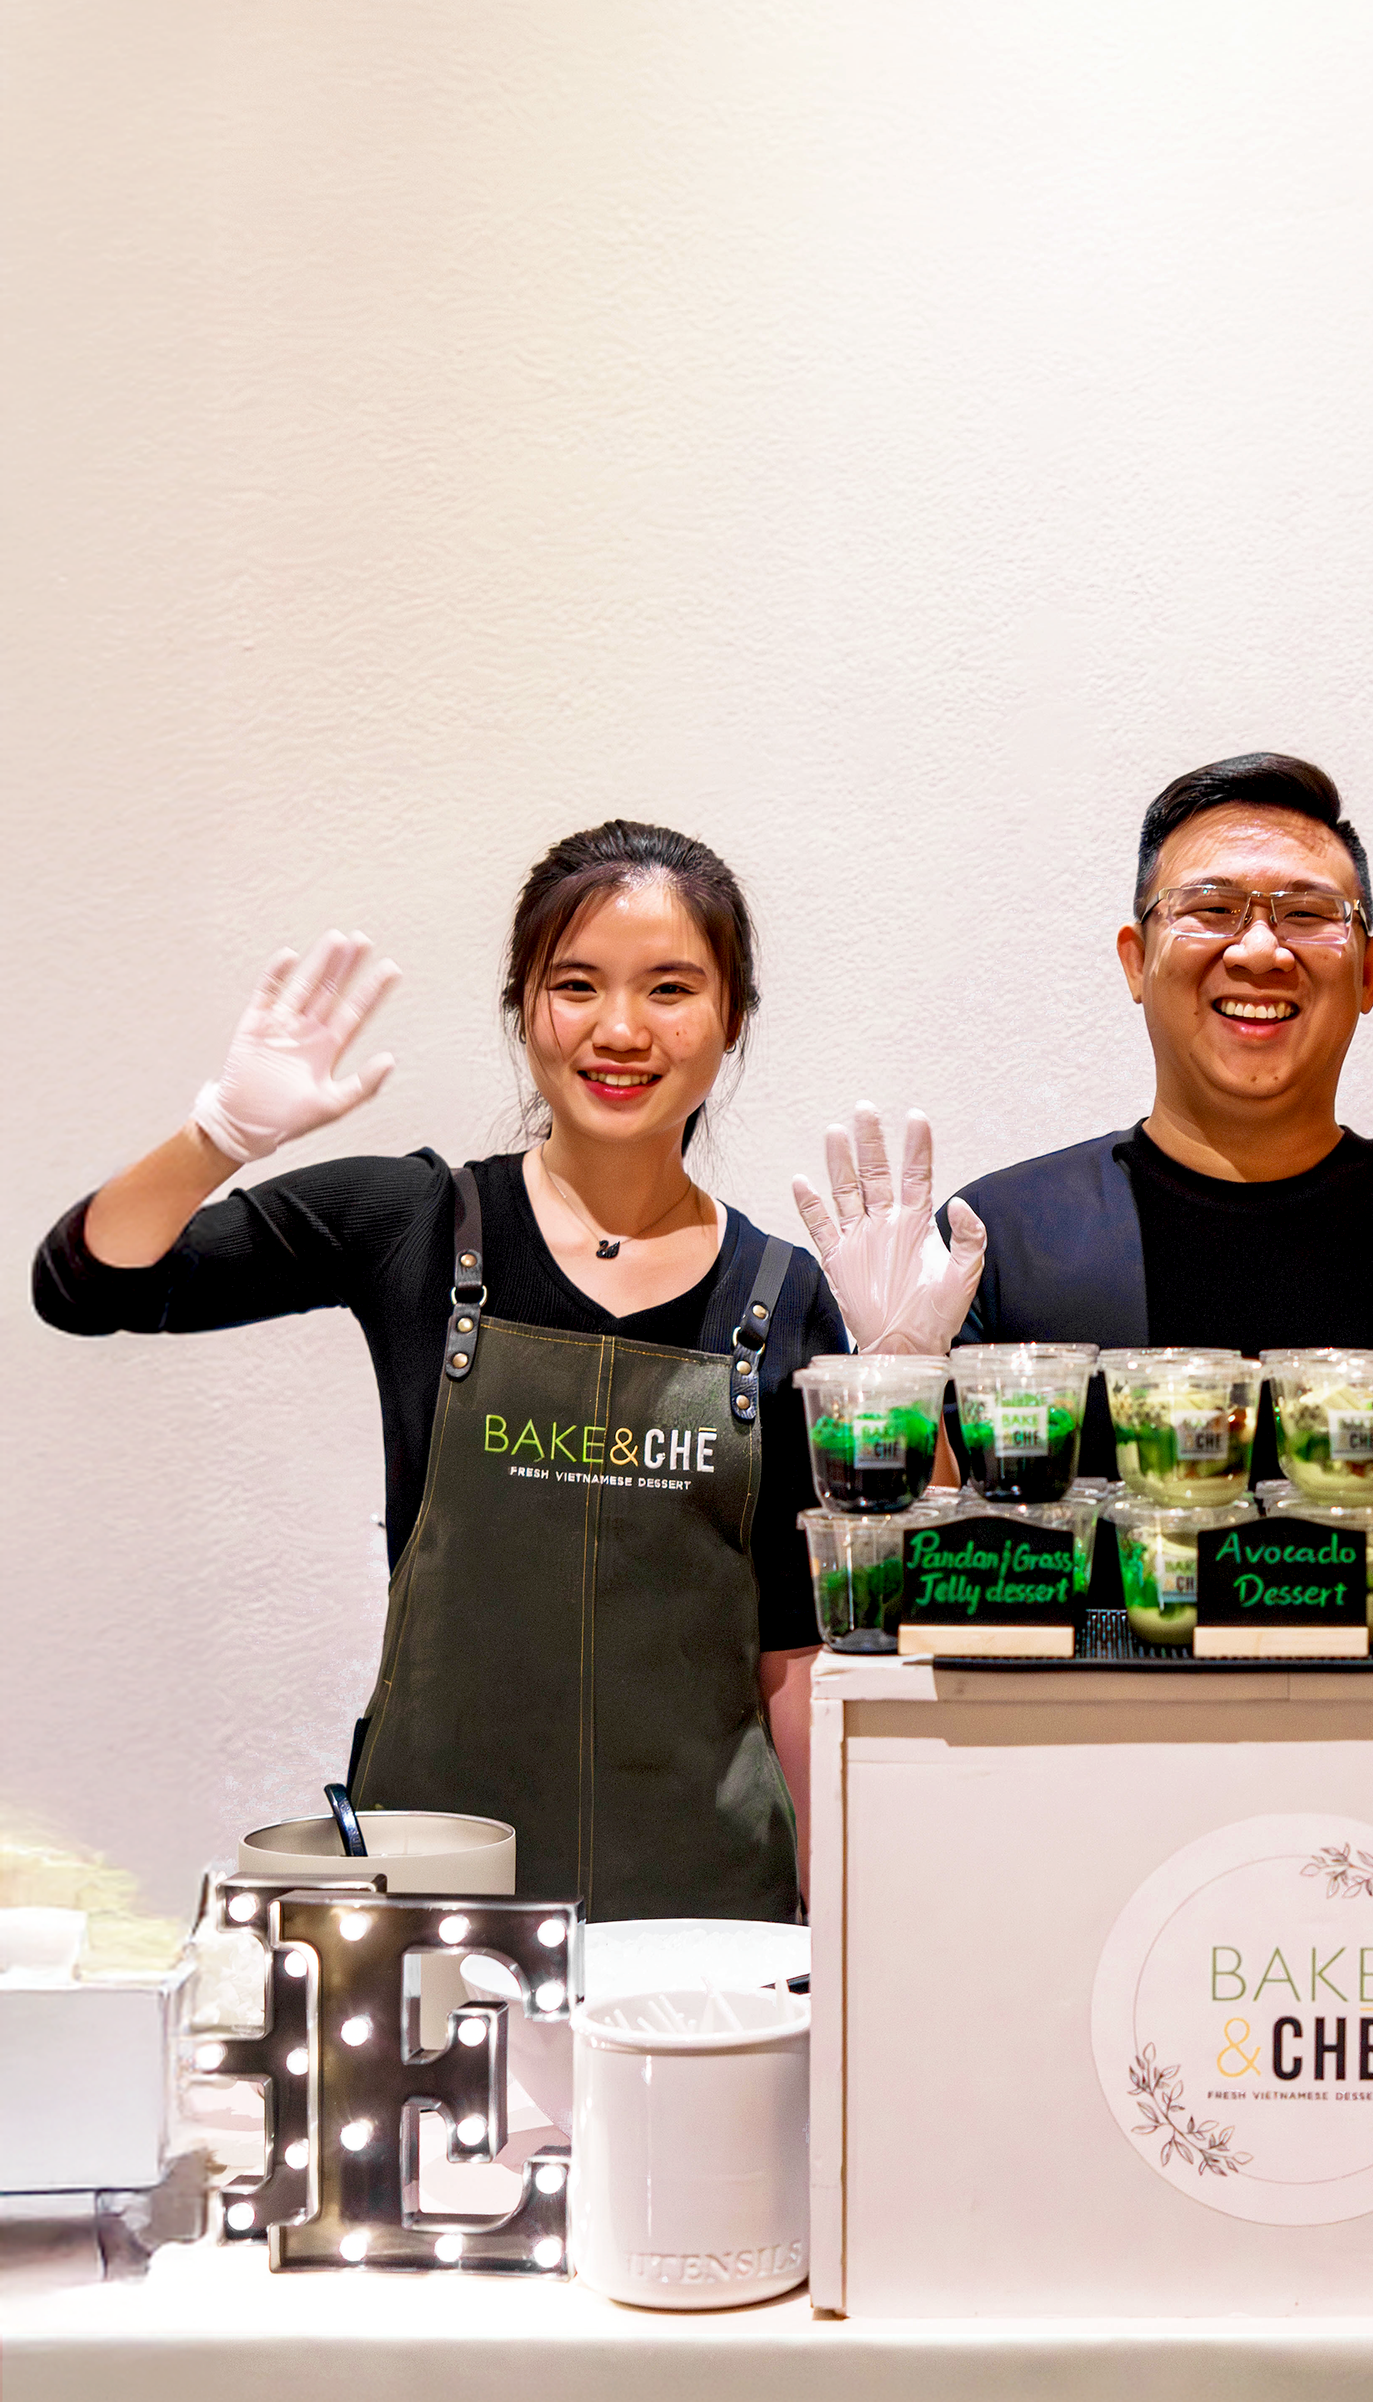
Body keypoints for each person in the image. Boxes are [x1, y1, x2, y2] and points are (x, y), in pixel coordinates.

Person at [34, 820, 911, 1918]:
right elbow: (88, 1287)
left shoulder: (783, 1298)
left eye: (672, 988)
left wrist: (838, 1923)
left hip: (705, 1919)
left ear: (732, 1020)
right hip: (433, 1896)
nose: (621, 1029)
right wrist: (221, 1134)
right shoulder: (412, 1225)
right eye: (576, 983)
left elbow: (795, 1648)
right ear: (522, 1008)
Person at [932, 753, 1373, 1455]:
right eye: (1211, 909)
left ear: (1372, 974)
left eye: (1308, 913)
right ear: (1136, 962)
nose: (1257, 949)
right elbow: (915, 1554)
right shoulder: (994, 1245)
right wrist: (900, 1366)